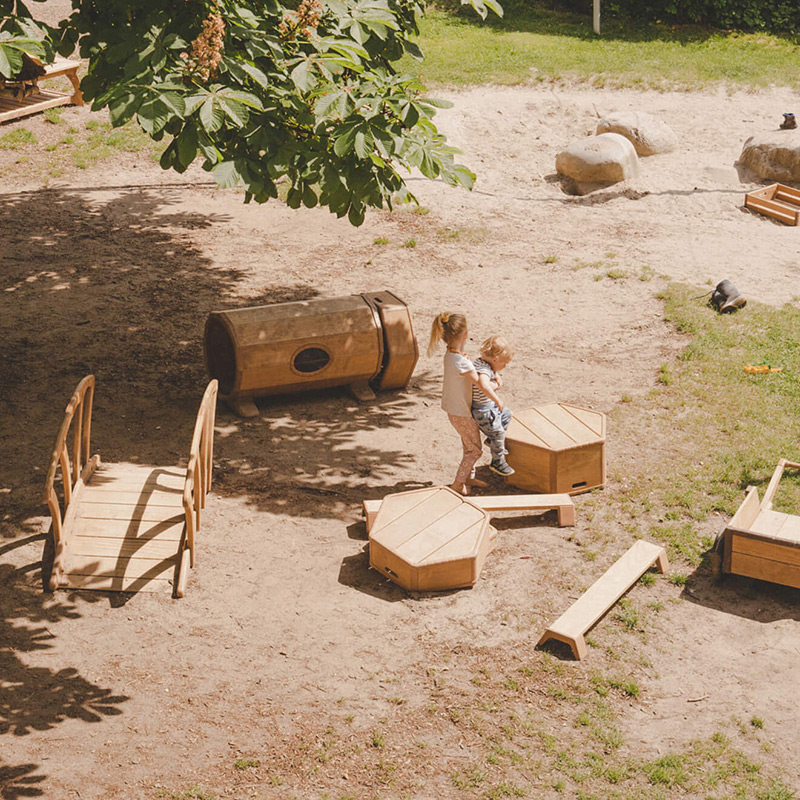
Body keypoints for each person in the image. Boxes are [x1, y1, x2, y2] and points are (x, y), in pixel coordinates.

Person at [428, 312, 497, 495]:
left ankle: (469, 476)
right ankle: (458, 484)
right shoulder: (461, 362)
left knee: (468, 444)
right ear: (465, 333)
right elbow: (482, 385)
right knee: (474, 450)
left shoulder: (451, 355)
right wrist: (496, 383)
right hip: (462, 412)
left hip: (455, 410)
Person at [471, 336, 514, 476]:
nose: (505, 367)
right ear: (495, 359)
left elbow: (492, 374)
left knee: (507, 414)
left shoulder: (483, 363)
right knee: (499, 433)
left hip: (488, 407)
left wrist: (497, 376)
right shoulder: (483, 370)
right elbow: (483, 384)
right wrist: (496, 398)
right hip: (483, 410)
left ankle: (492, 441)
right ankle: (497, 461)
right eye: (504, 364)